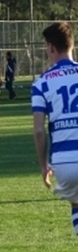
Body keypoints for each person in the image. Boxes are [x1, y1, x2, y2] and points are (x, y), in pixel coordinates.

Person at [32, 22, 78, 234]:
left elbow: (39, 130)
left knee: (76, 203)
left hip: (64, 161)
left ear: (50, 47)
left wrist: (44, 166)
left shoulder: (41, 83)